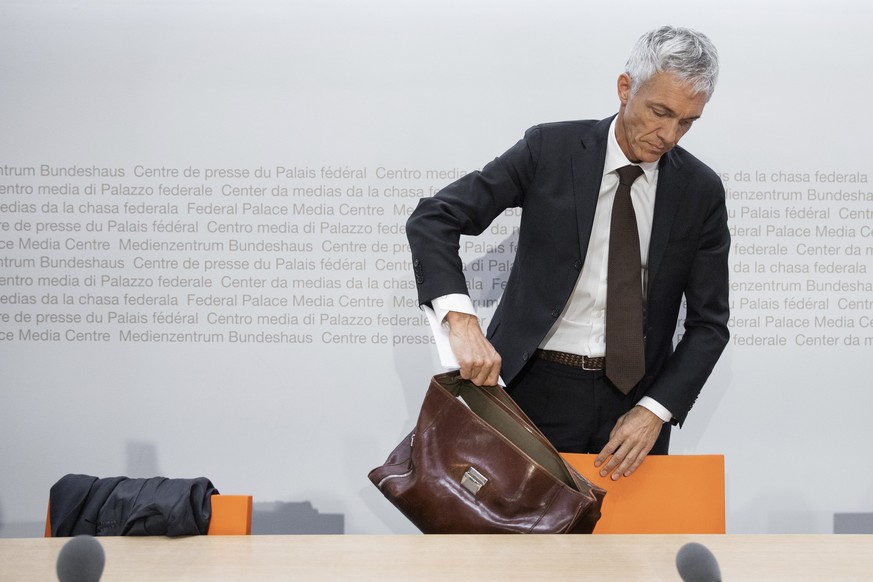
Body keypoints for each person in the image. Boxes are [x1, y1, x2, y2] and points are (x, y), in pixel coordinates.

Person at [406, 26, 730, 481]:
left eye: (687, 122)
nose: (669, 135)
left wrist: (656, 411)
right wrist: (461, 323)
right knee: (515, 548)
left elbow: (709, 325)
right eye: (660, 112)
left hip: (633, 410)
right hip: (530, 389)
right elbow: (434, 218)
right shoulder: (550, 151)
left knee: (628, 552)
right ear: (624, 89)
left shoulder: (700, 191)